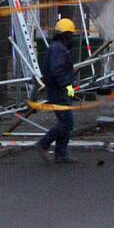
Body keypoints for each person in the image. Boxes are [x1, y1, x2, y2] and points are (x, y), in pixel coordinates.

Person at [35, 18, 78, 163]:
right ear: (65, 34)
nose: (72, 37)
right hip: (58, 91)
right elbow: (56, 70)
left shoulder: (57, 47)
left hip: (59, 89)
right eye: (70, 34)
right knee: (67, 123)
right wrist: (67, 85)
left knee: (65, 122)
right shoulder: (58, 49)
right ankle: (43, 144)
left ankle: (61, 154)